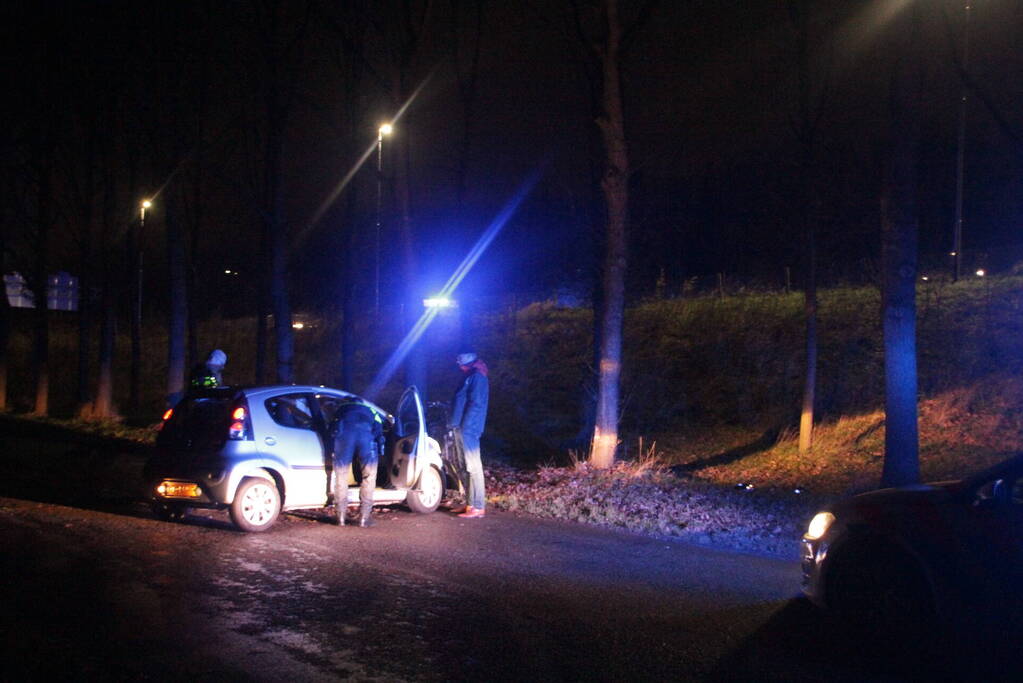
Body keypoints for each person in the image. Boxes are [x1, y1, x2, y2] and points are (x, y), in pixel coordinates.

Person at [330, 398, 385, 527]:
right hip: (366, 439)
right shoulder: (371, 410)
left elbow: (332, 427)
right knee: (369, 477)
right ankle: (364, 518)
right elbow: (379, 429)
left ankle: (340, 517)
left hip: (344, 439)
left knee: (341, 476)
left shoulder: (340, 409)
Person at [450, 352, 489, 518]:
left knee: (473, 466)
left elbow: (476, 403)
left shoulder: (477, 377)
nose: (459, 366)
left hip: (469, 427)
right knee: (463, 465)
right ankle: (470, 504)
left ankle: (478, 506)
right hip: (462, 426)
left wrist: (466, 425)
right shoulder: (470, 376)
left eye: (460, 363)